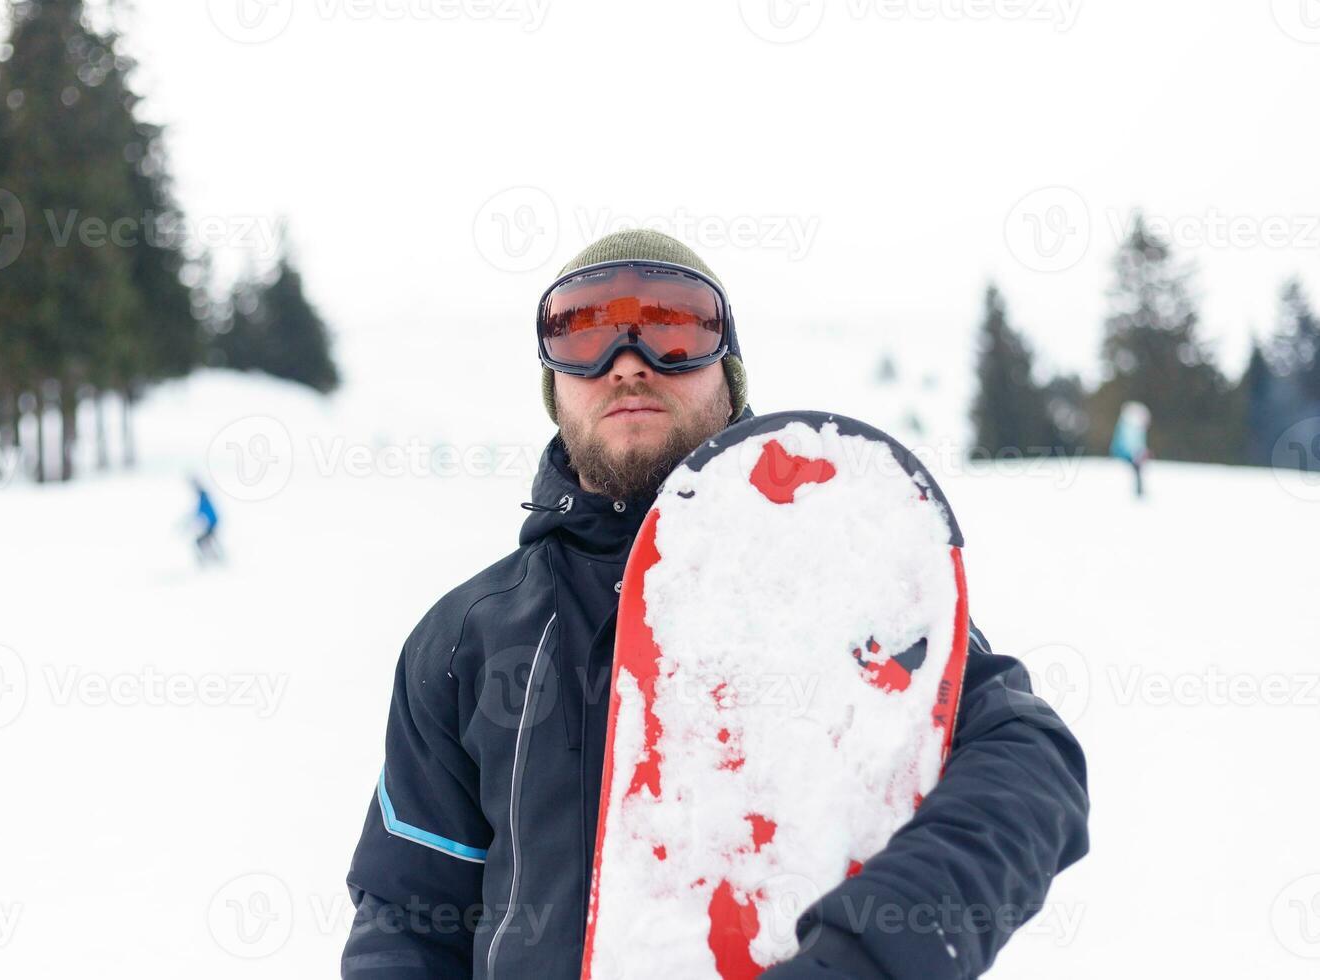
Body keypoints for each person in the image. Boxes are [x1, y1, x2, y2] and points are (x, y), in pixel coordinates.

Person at [340, 230, 1089, 979]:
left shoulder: (834, 575)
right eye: (584, 333)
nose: (628, 362)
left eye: (674, 327)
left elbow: (1028, 766)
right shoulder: (465, 640)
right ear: (553, 387)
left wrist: (863, 955)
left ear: (727, 374)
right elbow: (407, 918)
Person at [1109, 401, 1151, 498]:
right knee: (1137, 470)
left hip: (1130, 454)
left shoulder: (1132, 427)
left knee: (1138, 470)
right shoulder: (1132, 428)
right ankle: (1138, 493)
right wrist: (1136, 455)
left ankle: (1139, 492)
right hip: (1127, 455)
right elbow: (1129, 445)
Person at [190, 478, 222, 564]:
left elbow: (206, 513)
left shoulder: (204, 498)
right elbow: (199, 512)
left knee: (201, 542)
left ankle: (214, 560)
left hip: (212, 525)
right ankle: (216, 560)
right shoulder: (203, 498)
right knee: (206, 542)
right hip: (211, 525)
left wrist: (204, 521)